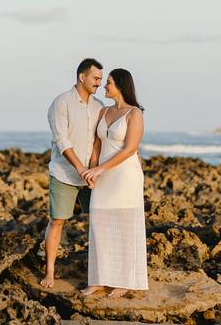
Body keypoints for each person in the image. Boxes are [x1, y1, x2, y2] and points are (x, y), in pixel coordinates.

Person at [80, 68, 148, 297]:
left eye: (108, 82)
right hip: (102, 176)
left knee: (126, 227)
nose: (104, 86)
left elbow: (130, 149)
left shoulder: (134, 114)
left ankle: (125, 280)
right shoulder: (104, 111)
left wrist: (101, 169)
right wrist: (92, 169)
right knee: (99, 224)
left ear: (120, 85)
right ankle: (98, 278)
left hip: (125, 177)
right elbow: (97, 145)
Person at [40, 58, 105, 288]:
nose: (99, 82)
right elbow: (61, 140)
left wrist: (93, 168)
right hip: (64, 173)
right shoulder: (61, 103)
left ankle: (98, 274)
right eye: (96, 77)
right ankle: (49, 272)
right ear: (82, 77)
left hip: (91, 175)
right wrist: (80, 168)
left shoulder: (99, 107)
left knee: (97, 221)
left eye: (100, 78)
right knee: (57, 221)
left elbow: (98, 140)